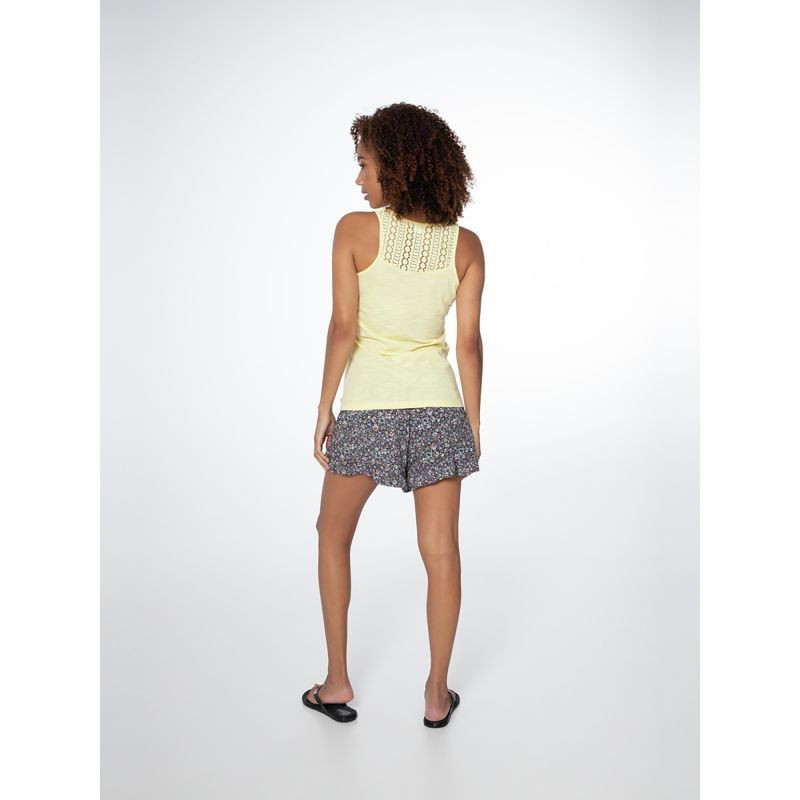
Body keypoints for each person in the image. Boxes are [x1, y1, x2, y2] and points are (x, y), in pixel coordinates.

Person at [302, 102, 485, 728]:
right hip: (439, 411)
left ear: (397, 167)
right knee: (442, 552)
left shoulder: (354, 231)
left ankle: (336, 681)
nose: (359, 179)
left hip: (370, 409)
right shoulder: (465, 244)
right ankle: (436, 694)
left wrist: (324, 407)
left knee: (332, 534)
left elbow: (343, 326)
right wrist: (473, 422)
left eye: (365, 165)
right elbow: (467, 344)